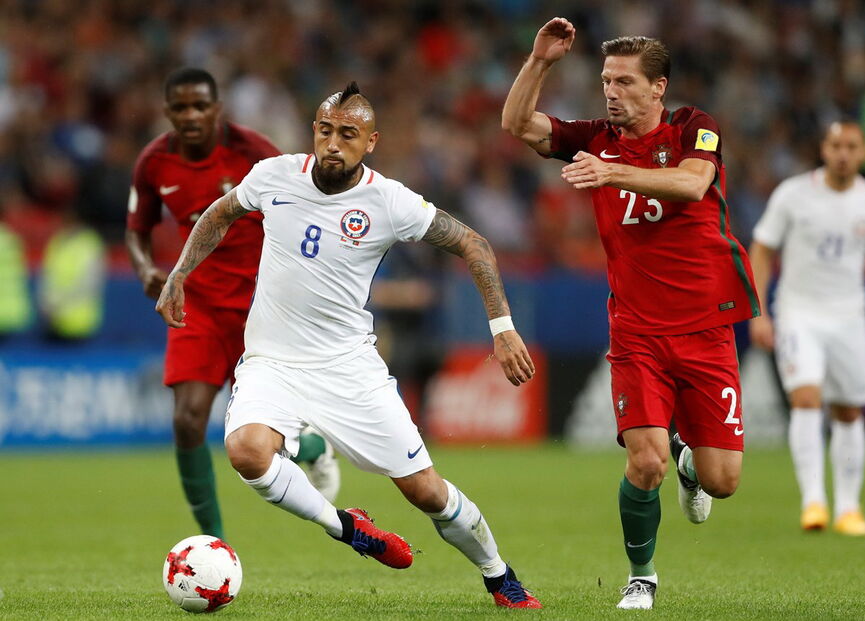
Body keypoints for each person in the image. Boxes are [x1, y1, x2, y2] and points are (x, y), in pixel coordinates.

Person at [154, 82, 541, 609]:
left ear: (371, 141)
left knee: (425, 491)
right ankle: (346, 527)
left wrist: (502, 328)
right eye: (325, 130)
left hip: (348, 368)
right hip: (272, 362)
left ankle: (500, 576)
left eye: (348, 134)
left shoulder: (389, 201)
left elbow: (474, 245)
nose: (333, 143)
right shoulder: (273, 176)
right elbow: (219, 215)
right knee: (246, 451)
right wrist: (180, 274)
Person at [502, 18, 760, 610]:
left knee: (723, 481)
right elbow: (517, 125)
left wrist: (611, 171)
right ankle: (641, 574)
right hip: (637, 328)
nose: (611, 92)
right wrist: (539, 61)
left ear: (657, 87)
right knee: (646, 461)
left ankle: (693, 463)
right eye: (604, 81)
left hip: (705, 328)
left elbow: (694, 186)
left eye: (623, 82)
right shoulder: (594, 136)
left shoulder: (695, 127)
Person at [126, 68, 339, 540]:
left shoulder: (253, 153)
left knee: (261, 436)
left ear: (217, 108)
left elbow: (307, 208)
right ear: (167, 113)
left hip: (260, 309)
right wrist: (144, 269)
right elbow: (136, 229)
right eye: (180, 108)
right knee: (186, 421)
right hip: (197, 307)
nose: (191, 115)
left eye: (200, 105)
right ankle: (212, 542)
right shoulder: (154, 161)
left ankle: (313, 449)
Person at [748, 120, 865, 536]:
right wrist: (759, 311)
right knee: (807, 398)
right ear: (823, 150)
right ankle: (814, 501)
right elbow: (761, 250)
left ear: (864, 153)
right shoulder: (793, 195)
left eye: (851, 146)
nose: (843, 153)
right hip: (798, 312)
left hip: (849, 316)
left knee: (848, 409)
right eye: (835, 145)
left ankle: (849, 507)